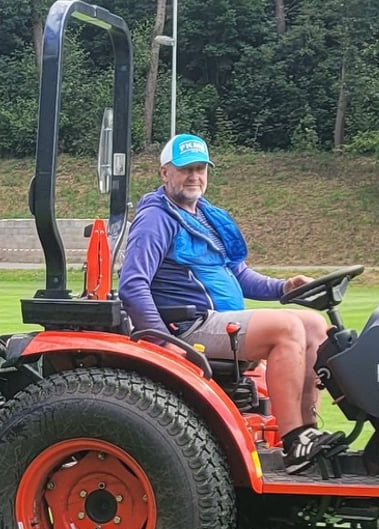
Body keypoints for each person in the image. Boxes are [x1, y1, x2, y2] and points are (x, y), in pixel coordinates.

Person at [118, 133, 345, 474]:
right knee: (286, 329)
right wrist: (161, 340)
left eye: (200, 169)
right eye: (186, 169)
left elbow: (238, 274)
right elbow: (133, 284)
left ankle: (308, 430)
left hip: (224, 320)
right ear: (165, 173)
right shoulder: (156, 219)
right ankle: (293, 441)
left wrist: (283, 286)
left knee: (313, 324)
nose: (194, 176)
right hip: (190, 325)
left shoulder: (207, 217)